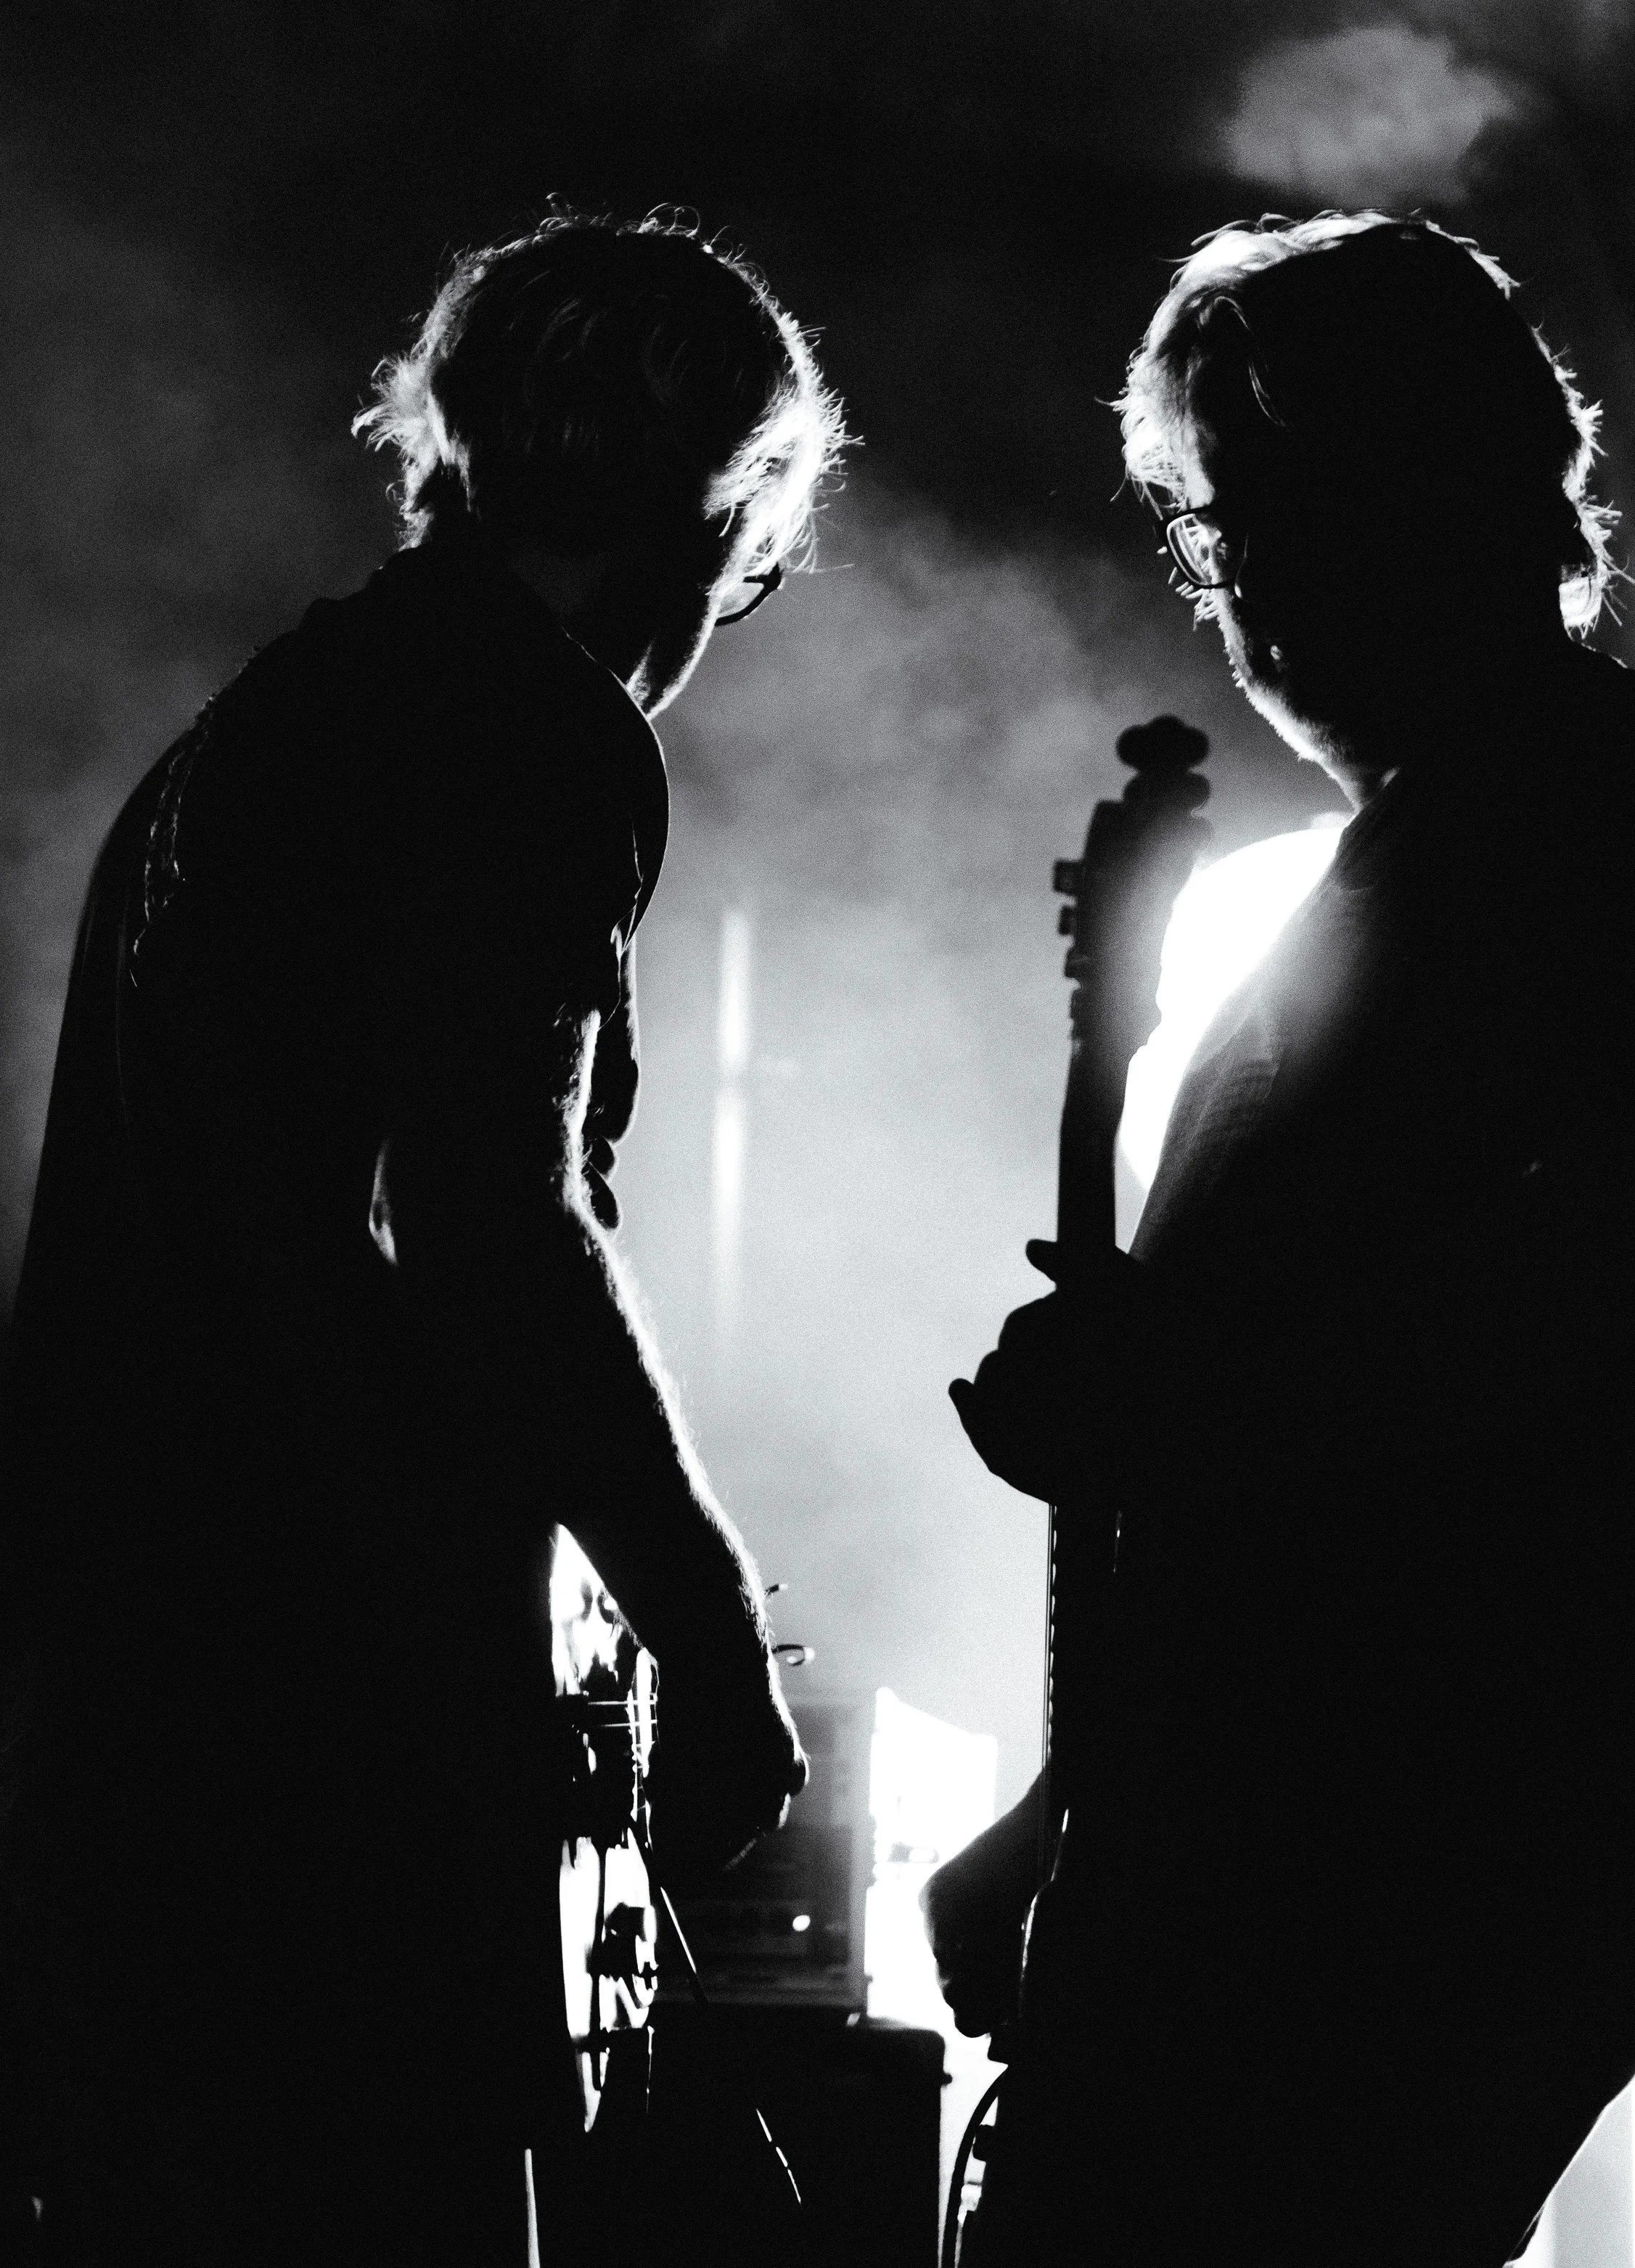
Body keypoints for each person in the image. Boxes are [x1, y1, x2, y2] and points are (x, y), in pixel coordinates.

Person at [930, 213, 1635, 2264]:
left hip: (1400, 1876)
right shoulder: (1427, 846)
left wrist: (1161, 1398)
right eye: (1214, 535)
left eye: (1276, 515)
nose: (1240, 592)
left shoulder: (1607, 817)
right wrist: (1070, 1808)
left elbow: (1544, 1364)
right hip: (1299, 1864)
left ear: (1446, 489)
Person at [0, 210, 844, 2266]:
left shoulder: (253, 734)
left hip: (119, 1688)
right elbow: (495, 1218)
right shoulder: (529, 723)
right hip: (329, 1712)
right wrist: (708, 1623)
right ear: (731, 513)